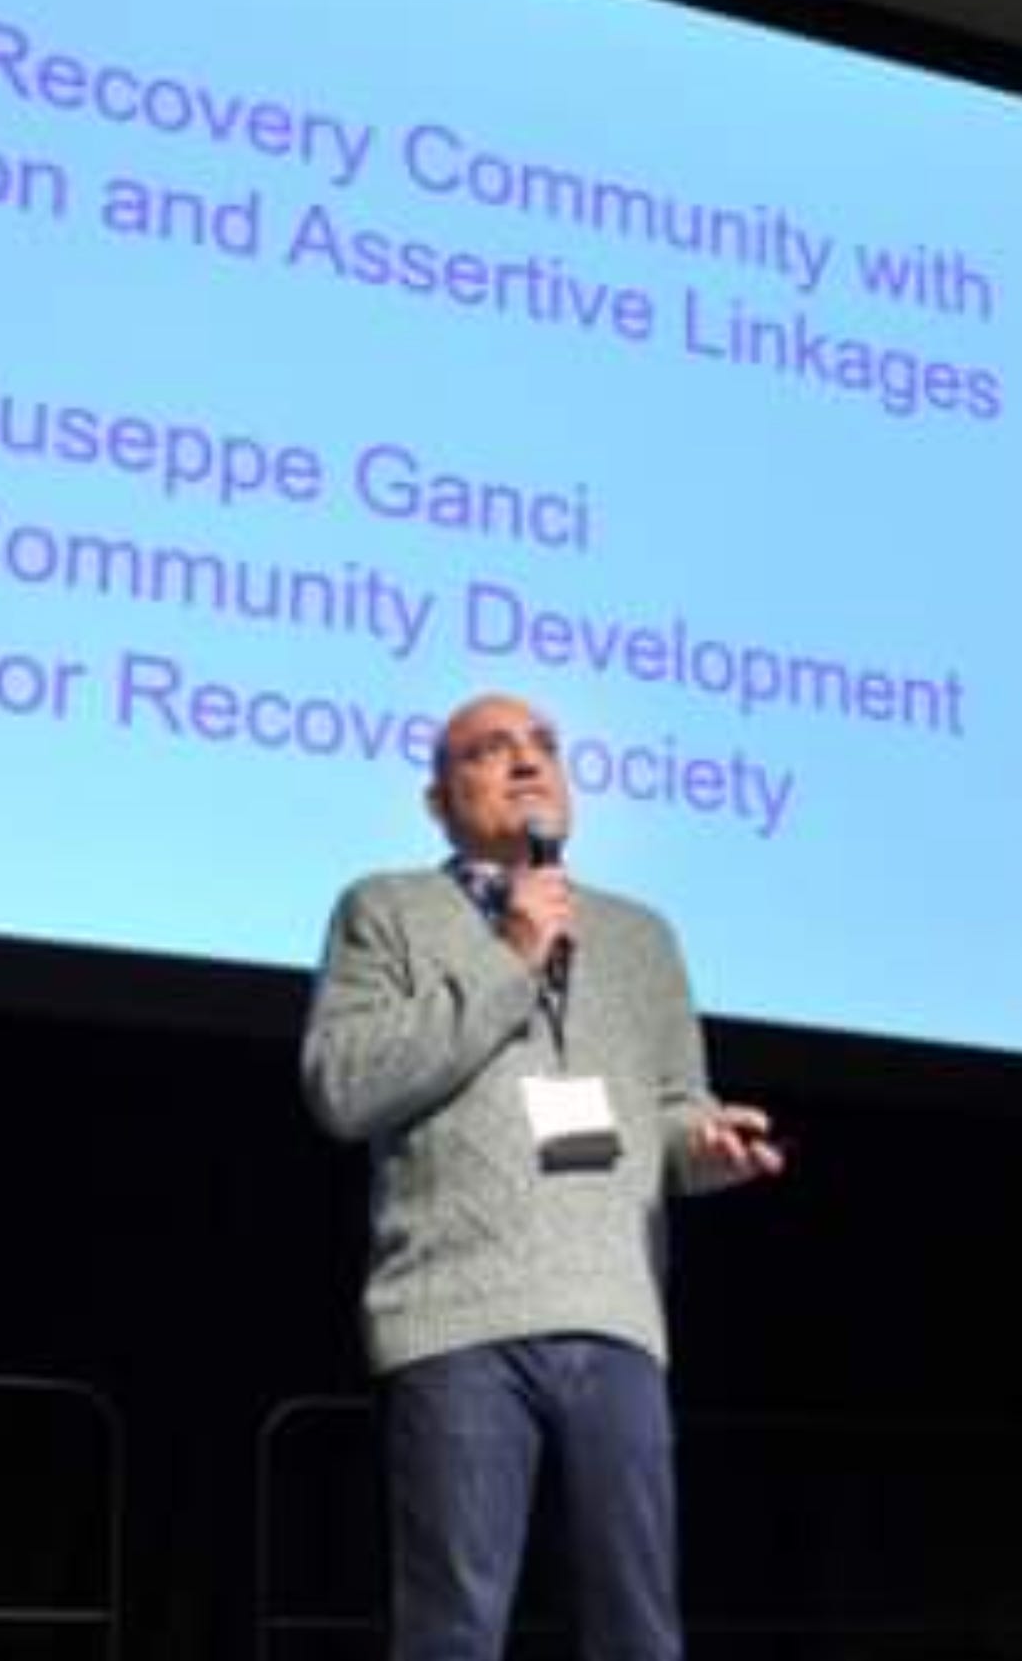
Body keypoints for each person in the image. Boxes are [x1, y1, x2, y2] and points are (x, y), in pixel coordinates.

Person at [299, 692, 784, 1661]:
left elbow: (672, 1109)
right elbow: (343, 1088)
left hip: (615, 1315)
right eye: (492, 749)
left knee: (639, 1634)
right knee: (453, 1633)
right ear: (439, 799)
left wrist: (706, 1145)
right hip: (456, 1317)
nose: (527, 764)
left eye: (545, 747)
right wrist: (510, 955)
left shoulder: (644, 935)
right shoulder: (385, 908)